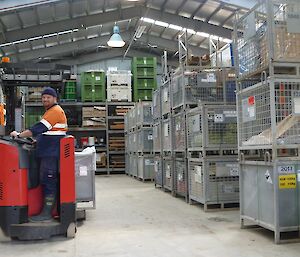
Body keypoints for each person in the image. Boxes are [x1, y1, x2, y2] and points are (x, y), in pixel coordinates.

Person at [10, 87, 68, 222]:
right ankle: (45, 211)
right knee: (47, 181)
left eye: (48, 97)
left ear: (55, 99)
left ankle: (47, 214)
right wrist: (37, 141)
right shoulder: (50, 111)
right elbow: (47, 132)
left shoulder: (55, 111)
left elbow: (38, 128)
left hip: (50, 154)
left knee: (48, 181)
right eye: (43, 97)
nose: (45, 99)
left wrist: (19, 135)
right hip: (48, 152)